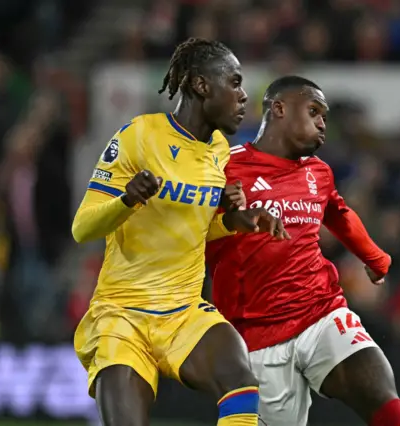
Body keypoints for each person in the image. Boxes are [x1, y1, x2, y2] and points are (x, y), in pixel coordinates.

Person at [71, 38, 289, 426]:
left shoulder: (220, 149)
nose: (244, 97)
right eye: (234, 83)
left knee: (241, 383)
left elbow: (192, 230)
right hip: (123, 315)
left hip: (183, 312)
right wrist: (126, 200)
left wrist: (233, 223)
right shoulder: (138, 136)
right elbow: (81, 229)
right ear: (202, 86)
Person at [205, 76, 400, 426]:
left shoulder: (319, 172)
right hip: (255, 332)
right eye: (314, 111)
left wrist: (374, 257)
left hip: (320, 310)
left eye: (325, 117)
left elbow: (339, 213)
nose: (322, 123)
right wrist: (228, 215)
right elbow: (193, 235)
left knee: (376, 386)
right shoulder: (224, 167)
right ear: (280, 109)